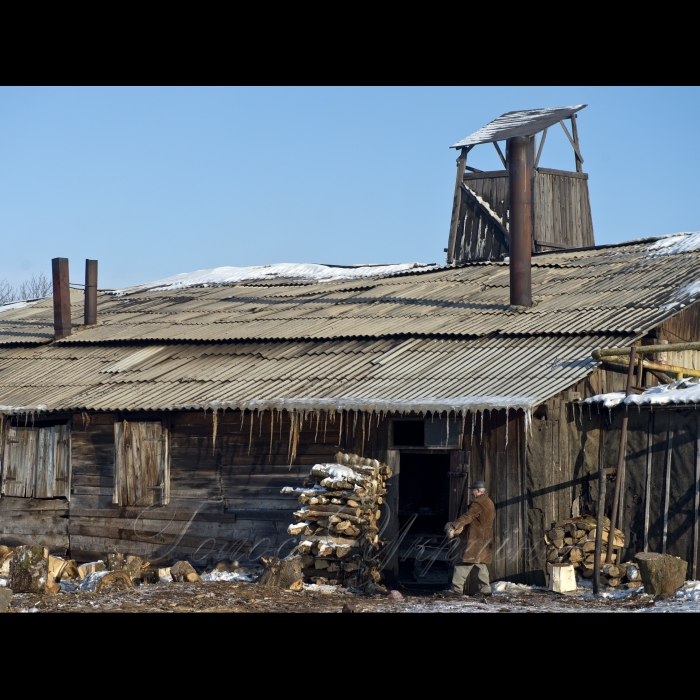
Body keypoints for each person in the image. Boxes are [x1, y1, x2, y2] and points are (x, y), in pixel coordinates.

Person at [444, 481, 495, 596]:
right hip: (485, 539)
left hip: (475, 539)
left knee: (464, 562)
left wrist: (454, 525)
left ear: (477, 491)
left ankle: (456, 590)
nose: (471, 493)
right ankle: (485, 591)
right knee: (480, 564)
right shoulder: (489, 502)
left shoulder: (479, 502)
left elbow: (468, 516)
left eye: (472, 490)